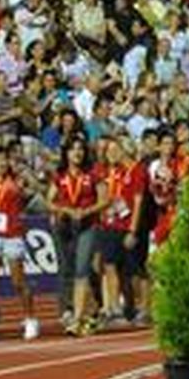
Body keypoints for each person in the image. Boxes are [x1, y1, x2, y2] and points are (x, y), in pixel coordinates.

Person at [0, 148, 40, 341]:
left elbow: (34, 190)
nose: (1, 164)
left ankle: (30, 318)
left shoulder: (17, 182)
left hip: (12, 234)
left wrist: (27, 178)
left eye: (4, 160)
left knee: (18, 282)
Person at [50, 139, 105, 336]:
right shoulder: (60, 176)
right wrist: (63, 209)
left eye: (80, 148)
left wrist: (86, 211)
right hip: (65, 226)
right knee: (70, 268)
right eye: (73, 149)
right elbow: (50, 201)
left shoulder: (93, 175)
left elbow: (104, 200)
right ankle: (92, 310)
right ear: (66, 153)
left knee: (82, 268)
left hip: (88, 225)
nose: (77, 152)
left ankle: (76, 319)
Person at [97, 138, 150, 325]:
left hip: (129, 227)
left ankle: (144, 307)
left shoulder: (137, 170)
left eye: (114, 150)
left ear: (124, 150)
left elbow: (137, 202)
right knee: (111, 266)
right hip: (111, 225)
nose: (110, 154)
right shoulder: (115, 171)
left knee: (136, 270)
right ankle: (116, 308)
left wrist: (133, 230)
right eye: (108, 150)